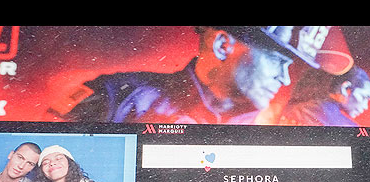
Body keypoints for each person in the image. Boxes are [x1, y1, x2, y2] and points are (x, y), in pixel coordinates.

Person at [60, 26, 331, 125]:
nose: (285, 79)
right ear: (223, 45)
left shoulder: (274, 126)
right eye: (277, 61)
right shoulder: (117, 97)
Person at [279, 66, 370, 126]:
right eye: (364, 97)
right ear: (345, 88)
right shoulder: (348, 126)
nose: (365, 106)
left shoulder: (299, 106)